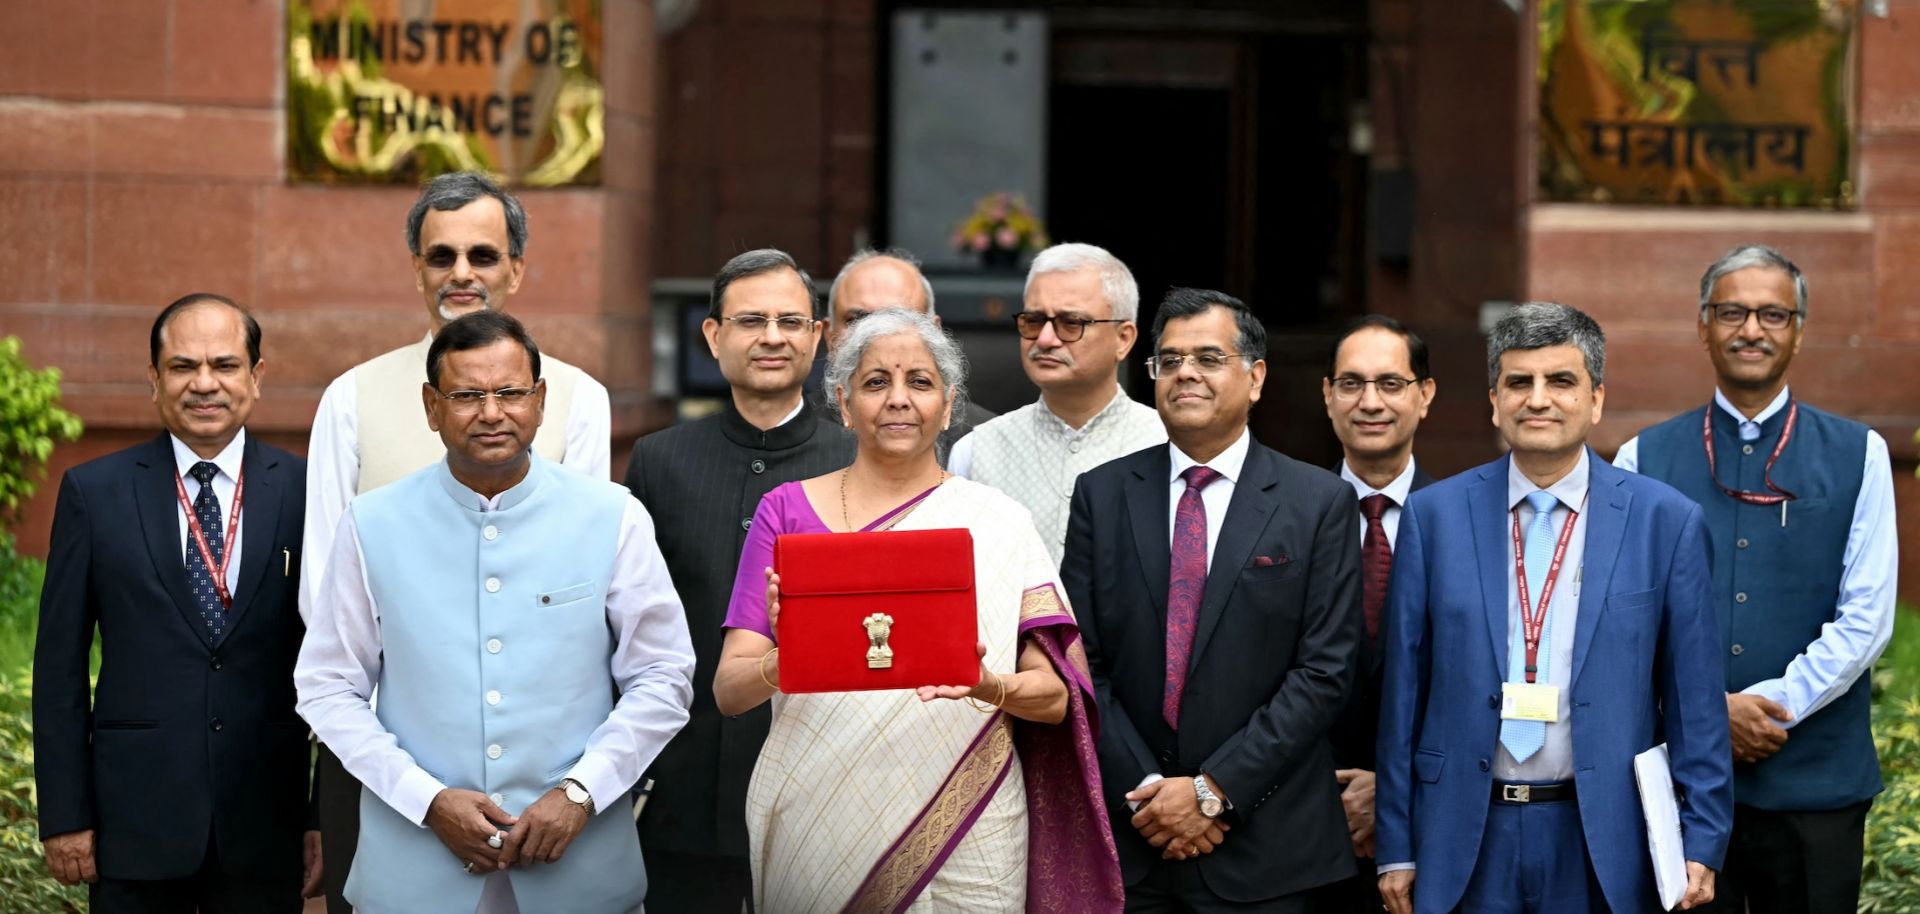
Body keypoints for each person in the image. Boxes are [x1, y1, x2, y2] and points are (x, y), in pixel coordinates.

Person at [710, 308, 1123, 912]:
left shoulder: (1000, 522)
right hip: (819, 816)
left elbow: (1056, 697)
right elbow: (729, 691)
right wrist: (788, 656)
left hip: (970, 819)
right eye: (876, 382)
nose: (898, 399)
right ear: (844, 403)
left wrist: (988, 685)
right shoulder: (786, 513)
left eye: (920, 382)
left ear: (949, 404)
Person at [294, 311, 694, 913]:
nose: (491, 412)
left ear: (539, 400)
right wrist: (425, 799)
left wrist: (580, 793)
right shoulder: (371, 524)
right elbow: (326, 687)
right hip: (414, 875)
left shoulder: (613, 515)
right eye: (466, 395)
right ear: (431, 407)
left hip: (579, 872)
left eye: (509, 393)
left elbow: (663, 677)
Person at [301, 170, 612, 912]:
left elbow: (590, 592)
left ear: (516, 268)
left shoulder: (578, 398)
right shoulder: (350, 398)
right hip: (381, 762)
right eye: (442, 257)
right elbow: (323, 597)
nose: (462, 273)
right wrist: (411, 778)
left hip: (548, 771)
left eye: (482, 255)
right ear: (416, 268)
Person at [1375, 302, 1732, 914]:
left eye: (1561, 381)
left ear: (1595, 400)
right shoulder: (1434, 518)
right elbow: (1403, 694)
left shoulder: (1664, 523)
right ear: (1494, 401)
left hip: (1603, 837)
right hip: (1465, 831)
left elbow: (1695, 700)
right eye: (1519, 382)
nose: (1538, 399)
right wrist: (1396, 846)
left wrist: (1702, 838)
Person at [1614, 245, 1897, 914]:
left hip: (1817, 789)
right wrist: (1709, 715)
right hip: (1681, 786)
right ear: (1702, 324)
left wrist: (1772, 705)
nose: (1751, 329)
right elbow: (1626, 618)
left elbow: (1868, 616)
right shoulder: (1640, 457)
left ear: (1798, 330)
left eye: (1773, 313)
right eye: (1732, 311)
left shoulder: (1862, 454)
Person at [1063, 288, 1363, 911]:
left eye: (1207, 357)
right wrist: (1150, 790)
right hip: (1135, 836)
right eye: (1168, 361)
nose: (1185, 374)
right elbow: (1081, 663)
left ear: (1254, 378)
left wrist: (1212, 791)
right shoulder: (1102, 495)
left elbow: (1324, 672)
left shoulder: (1317, 503)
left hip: (1268, 848)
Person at [35, 293, 321, 912]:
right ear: (154, 380)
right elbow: (57, 669)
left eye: (224, 364)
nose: (204, 384)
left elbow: (344, 663)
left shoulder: (309, 490)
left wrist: (321, 816)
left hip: (267, 823)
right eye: (183, 366)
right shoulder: (95, 491)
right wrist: (63, 816)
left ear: (257, 376)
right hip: (133, 826)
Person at [622, 248, 854, 912]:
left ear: (819, 337)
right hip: (683, 786)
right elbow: (631, 624)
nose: (773, 337)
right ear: (713, 335)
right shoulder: (660, 461)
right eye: (751, 321)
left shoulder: (856, 458)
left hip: (819, 786)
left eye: (791, 321)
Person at [1318, 315, 1437, 912]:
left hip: (1429, 836)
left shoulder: (1466, 521)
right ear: (1328, 394)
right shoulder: (1282, 515)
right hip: (1302, 826)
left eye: (1391, 383)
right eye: (1352, 383)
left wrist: (1391, 789)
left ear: (1424, 395)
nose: (1370, 402)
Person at [949, 242, 1165, 565]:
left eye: (1071, 323)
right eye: (1034, 321)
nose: (1046, 339)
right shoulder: (976, 451)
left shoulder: (1164, 443)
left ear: (1123, 339)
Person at [824, 247, 994, 459]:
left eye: (899, 317)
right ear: (828, 336)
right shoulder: (791, 433)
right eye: (858, 320)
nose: (879, 335)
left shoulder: (984, 440)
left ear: (935, 333)